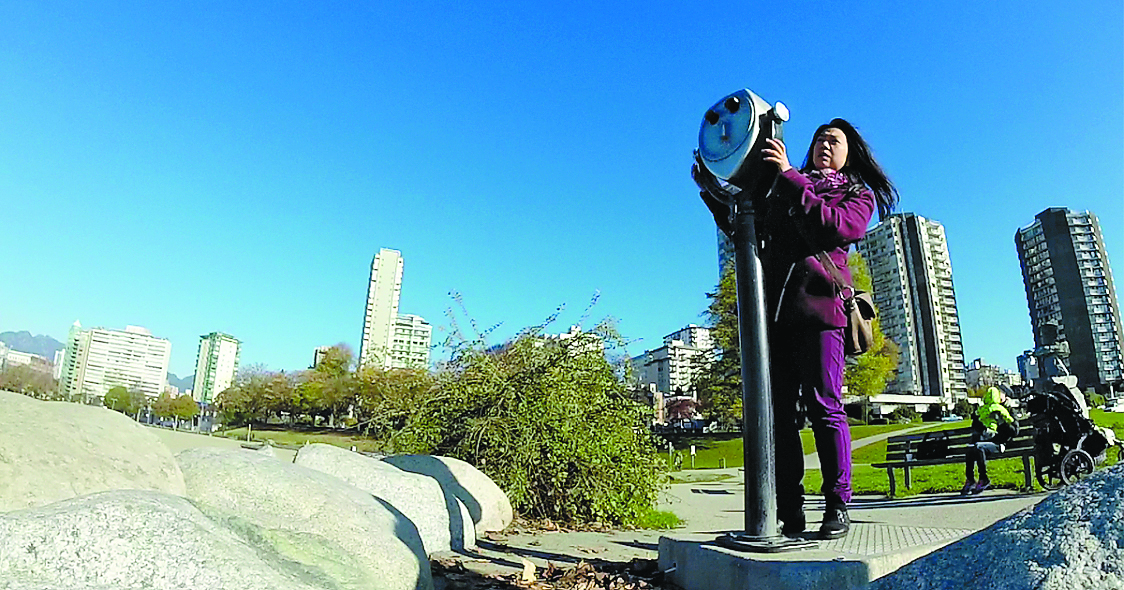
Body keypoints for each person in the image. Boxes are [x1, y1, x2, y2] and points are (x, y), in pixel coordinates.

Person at [754, 119, 898, 539]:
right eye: (819, 138)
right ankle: (789, 509)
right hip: (776, 315)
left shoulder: (855, 193)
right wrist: (711, 192)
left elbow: (839, 228)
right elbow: (748, 230)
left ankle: (837, 504)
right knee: (780, 417)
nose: (824, 145)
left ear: (849, 153)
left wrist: (790, 178)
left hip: (823, 312)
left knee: (825, 408)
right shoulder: (787, 185)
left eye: (834, 141)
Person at [962, 386, 1018, 494]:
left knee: (979, 448)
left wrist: (1001, 421)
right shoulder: (986, 409)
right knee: (970, 449)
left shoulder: (1009, 410)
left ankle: (983, 478)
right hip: (986, 442)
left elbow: (1014, 431)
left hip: (1000, 444)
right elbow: (976, 427)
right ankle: (970, 479)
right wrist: (981, 421)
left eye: (1000, 393)